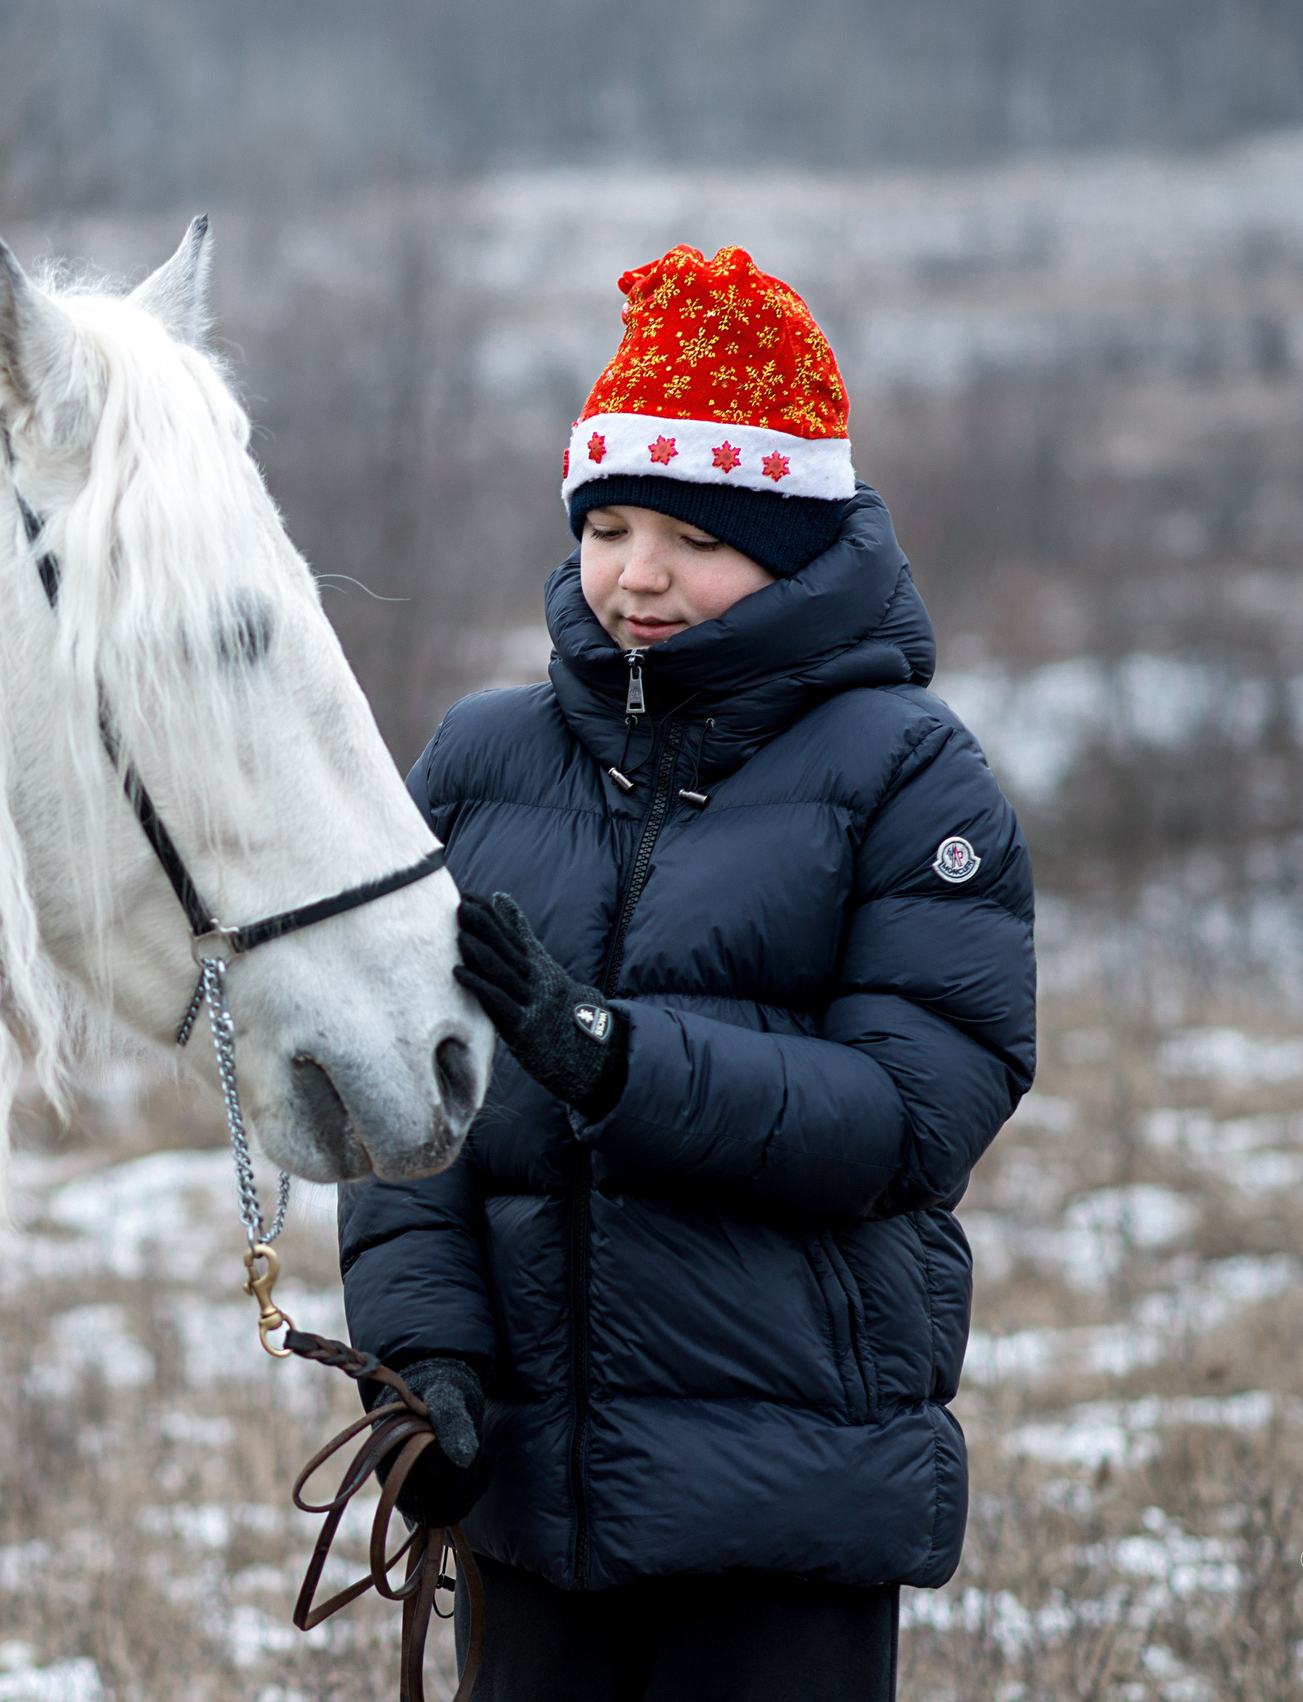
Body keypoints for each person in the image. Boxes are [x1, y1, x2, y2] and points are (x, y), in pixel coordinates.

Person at [338, 244, 1036, 1702]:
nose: (637, 576)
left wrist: (618, 1061)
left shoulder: (911, 778)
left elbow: (912, 1118)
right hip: (532, 1516)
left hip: (785, 1512)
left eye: (694, 538)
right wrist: (430, 1360)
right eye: (609, 525)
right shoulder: (477, 763)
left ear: (794, 547)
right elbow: (407, 1117)